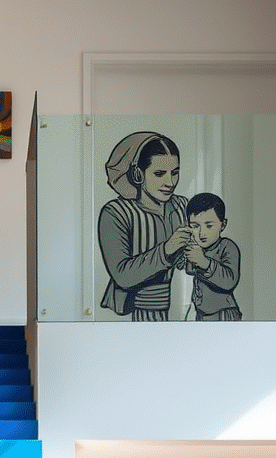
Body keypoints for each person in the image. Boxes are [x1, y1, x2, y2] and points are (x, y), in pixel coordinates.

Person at [98, 132, 191, 320]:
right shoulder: (116, 212)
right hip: (131, 315)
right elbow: (122, 275)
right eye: (159, 174)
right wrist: (166, 250)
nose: (170, 183)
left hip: (183, 311)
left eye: (175, 173)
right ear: (137, 174)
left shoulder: (184, 206)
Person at [183, 192, 242, 321]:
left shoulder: (227, 246)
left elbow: (229, 281)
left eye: (209, 226)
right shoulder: (198, 248)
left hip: (224, 314)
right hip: (202, 314)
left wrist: (204, 262)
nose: (201, 233)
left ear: (223, 225)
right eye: (195, 226)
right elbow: (189, 270)